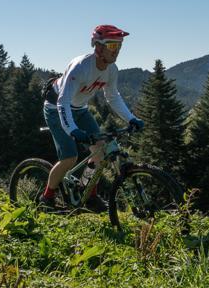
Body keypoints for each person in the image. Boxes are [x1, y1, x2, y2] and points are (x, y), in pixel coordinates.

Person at [40, 23, 144, 210]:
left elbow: (112, 97)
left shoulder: (111, 70)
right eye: (112, 45)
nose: (117, 51)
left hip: (80, 109)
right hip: (56, 108)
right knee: (69, 157)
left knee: (100, 150)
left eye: (119, 46)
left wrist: (131, 118)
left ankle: (89, 194)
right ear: (98, 46)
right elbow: (62, 102)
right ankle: (47, 197)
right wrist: (73, 130)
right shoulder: (80, 67)